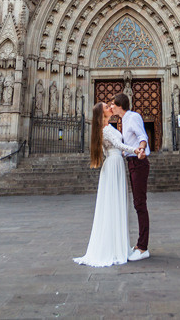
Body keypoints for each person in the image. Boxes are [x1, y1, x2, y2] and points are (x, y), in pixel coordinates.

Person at [73, 102, 137, 267]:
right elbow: (118, 145)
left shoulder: (101, 131)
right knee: (115, 205)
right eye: (107, 107)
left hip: (112, 164)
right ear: (103, 115)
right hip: (114, 164)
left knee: (111, 205)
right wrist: (136, 150)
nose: (110, 106)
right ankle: (116, 248)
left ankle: (115, 245)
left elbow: (109, 149)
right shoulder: (106, 130)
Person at [110, 92, 150, 261]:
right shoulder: (123, 120)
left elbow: (142, 136)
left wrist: (141, 149)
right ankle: (141, 244)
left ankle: (143, 247)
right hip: (132, 163)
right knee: (137, 203)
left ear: (119, 106)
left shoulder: (133, 117)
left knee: (140, 204)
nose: (111, 106)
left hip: (138, 162)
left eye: (112, 104)